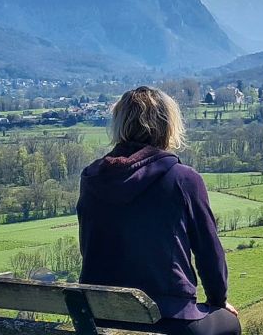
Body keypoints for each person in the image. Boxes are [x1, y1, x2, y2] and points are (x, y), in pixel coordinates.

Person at [79, 86, 239, 334]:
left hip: (101, 318)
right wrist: (218, 300)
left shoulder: (91, 177)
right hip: (170, 318)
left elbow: (87, 247)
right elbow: (209, 253)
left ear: (120, 124)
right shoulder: (182, 179)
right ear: (168, 125)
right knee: (229, 324)